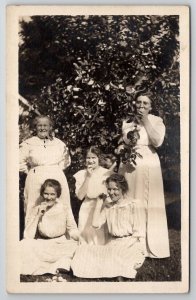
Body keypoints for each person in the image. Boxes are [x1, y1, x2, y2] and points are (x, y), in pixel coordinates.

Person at [118, 92, 170, 258]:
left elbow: (157, 141)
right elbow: (124, 141)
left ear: (150, 106)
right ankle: (128, 243)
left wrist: (145, 120)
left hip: (148, 162)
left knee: (147, 200)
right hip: (129, 164)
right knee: (129, 199)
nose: (141, 106)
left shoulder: (156, 121)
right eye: (139, 102)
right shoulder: (127, 122)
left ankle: (148, 245)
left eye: (145, 103)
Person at [71, 174, 146, 279]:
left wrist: (125, 246)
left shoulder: (134, 205)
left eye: (115, 189)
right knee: (83, 250)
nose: (111, 193)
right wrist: (99, 203)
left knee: (114, 257)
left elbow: (139, 233)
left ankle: (117, 272)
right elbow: (95, 224)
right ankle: (114, 272)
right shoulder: (109, 207)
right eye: (109, 189)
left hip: (131, 244)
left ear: (123, 189)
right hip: (112, 243)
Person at [19, 115, 71, 227]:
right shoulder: (28, 143)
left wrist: (55, 170)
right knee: (34, 205)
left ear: (50, 127)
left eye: (45, 125)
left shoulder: (59, 143)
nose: (42, 128)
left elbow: (66, 160)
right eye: (39, 125)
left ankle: (60, 232)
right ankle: (32, 235)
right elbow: (19, 161)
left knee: (60, 204)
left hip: (56, 176)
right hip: (35, 179)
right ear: (35, 127)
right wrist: (31, 172)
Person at [20, 179, 79, 275]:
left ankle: (59, 265)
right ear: (42, 194)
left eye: (52, 194)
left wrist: (80, 239)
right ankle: (56, 266)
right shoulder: (37, 209)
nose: (49, 197)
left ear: (57, 195)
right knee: (24, 244)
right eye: (46, 194)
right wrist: (38, 215)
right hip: (43, 245)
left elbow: (72, 229)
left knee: (76, 248)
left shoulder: (64, 208)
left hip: (60, 244)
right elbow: (28, 236)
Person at [73, 146, 111, 245]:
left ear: (99, 158)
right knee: (86, 237)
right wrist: (88, 176)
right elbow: (80, 196)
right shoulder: (81, 174)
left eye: (93, 157)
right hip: (87, 208)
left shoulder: (106, 173)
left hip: (102, 207)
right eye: (88, 158)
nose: (90, 160)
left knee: (100, 237)